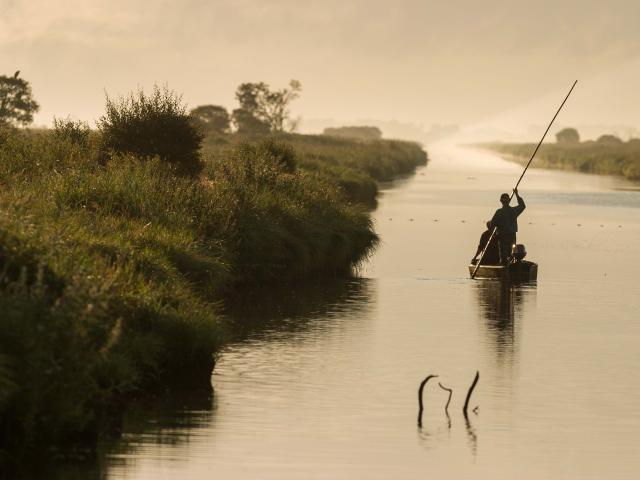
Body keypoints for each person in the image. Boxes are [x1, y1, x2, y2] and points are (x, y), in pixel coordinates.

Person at [490, 189, 525, 265]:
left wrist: (495, 234)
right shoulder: (512, 211)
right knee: (511, 254)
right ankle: (509, 265)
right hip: (508, 236)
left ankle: (506, 266)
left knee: (505, 255)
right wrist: (517, 195)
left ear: (501, 201)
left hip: (504, 236)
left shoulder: (500, 212)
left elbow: (492, 224)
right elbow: (522, 206)